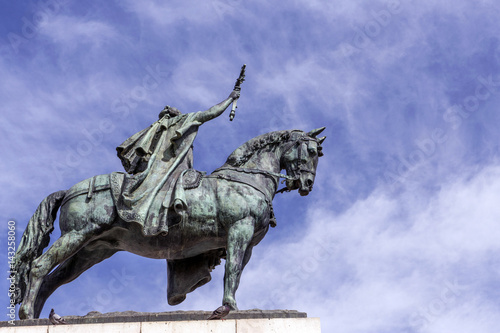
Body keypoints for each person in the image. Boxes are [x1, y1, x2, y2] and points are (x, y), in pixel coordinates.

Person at [111, 89, 240, 235]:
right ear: (174, 114)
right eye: (171, 108)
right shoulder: (183, 121)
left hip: (159, 168)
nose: (171, 107)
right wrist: (230, 99)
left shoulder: (158, 129)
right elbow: (211, 113)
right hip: (170, 168)